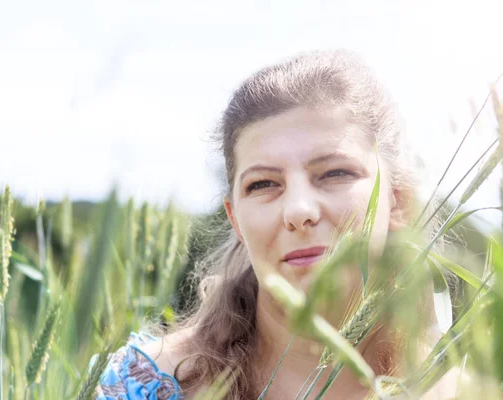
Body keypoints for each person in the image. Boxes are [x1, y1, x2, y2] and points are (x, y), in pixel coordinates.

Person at [93, 49, 458, 399]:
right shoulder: (145, 384)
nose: (298, 210)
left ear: (400, 203)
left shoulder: (465, 391)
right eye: (264, 184)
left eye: (334, 173)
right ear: (235, 218)